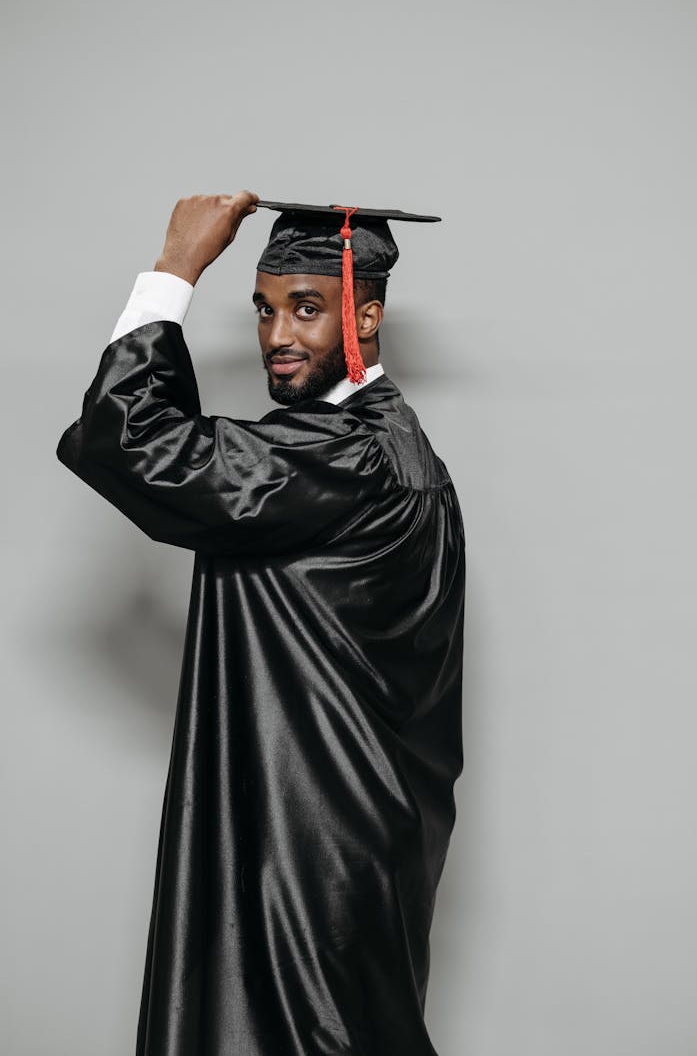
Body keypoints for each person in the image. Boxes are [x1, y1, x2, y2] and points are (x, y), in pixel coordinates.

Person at [57, 190, 466, 1056]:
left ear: (366, 314)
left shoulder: (347, 459)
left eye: (308, 310)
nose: (279, 337)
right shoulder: (391, 448)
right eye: (266, 309)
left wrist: (174, 269)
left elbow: (127, 441)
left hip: (312, 853)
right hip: (337, 835)